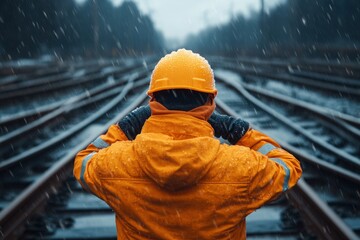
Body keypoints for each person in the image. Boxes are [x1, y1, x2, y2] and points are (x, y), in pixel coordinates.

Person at [74, 48, 302, 239]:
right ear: (210, 102)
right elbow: (287, 167)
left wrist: (124, 128)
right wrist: (241, 132)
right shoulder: (240, 167)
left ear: (152, 101)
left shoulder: (118, 163)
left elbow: (84, 162)